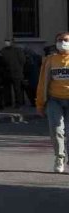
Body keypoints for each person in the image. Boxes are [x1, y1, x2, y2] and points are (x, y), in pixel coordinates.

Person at [37, 33, 69, 173]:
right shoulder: (50, 60)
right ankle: (59, 158)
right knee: (56, 130)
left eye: (66, 40)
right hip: (54, 100)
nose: (62, 42)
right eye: (59, 40)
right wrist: (40, 104)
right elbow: (42, 82)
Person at [0, 38, 28, 108]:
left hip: (16, 72)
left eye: (8, 41)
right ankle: (8, 102)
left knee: (17, 89)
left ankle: (18, 102)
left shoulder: (18, 50)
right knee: (7, 89)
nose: (7, 43)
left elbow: (23, 60)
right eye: (6, 41)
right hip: (7, 72)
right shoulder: (3, 50)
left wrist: (18, 68)